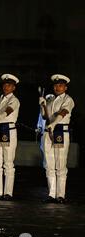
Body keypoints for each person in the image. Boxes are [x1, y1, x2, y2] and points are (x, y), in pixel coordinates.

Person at [40, 74, 75, 204]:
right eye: (55, 85)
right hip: (48, 132)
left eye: (60, 85)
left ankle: (61, 195)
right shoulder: (51, 100)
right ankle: (52, 193)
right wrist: (42, 105)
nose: (57, 87)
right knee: (49, 165)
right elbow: (44, 117)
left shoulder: (68, 99)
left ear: (65, 87)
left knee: (60, 165)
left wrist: (54, 123)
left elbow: (64, 112)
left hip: (60, 131)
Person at [0, 74, 20, 200]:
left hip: (9, 130)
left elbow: (9, 110)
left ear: (13, 88)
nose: (6, 87)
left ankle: (8, 192)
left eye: (9, 85)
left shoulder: (14, 100)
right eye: (5, 84)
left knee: (8, 163)